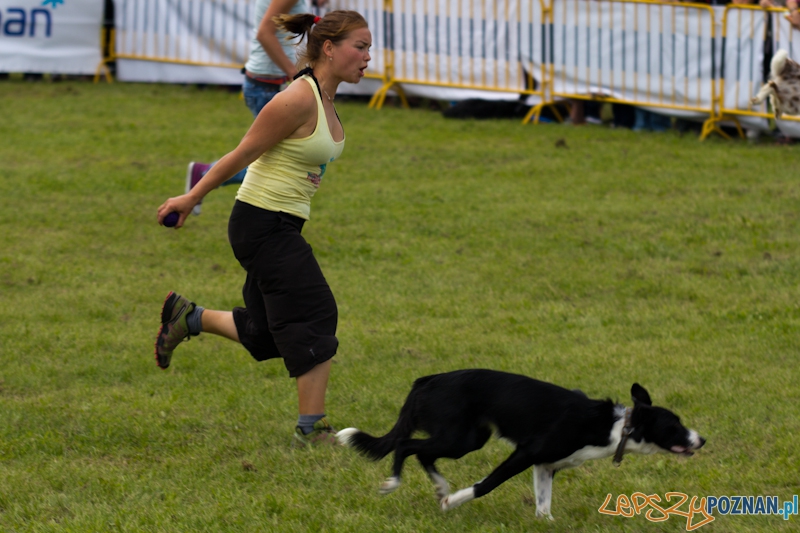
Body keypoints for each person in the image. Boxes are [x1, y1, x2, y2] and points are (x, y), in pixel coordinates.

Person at [155, 10, 372, 447]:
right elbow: (242, 153)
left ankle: (189, 317)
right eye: (361, 47)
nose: (368, 57)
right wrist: (191, 197)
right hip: (261, 223)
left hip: (282, 223)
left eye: (369, 48)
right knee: (315, 312)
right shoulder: (297, 98)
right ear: (330, 48)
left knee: (270, 331)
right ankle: (311, 429)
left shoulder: (325, 98)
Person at [186, 0, 329, 216]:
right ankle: (204, 175)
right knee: (274, 163)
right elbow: (264, 34)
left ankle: (204, 175)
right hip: (269, 86)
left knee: (270, 159)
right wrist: (295, 75)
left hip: (268, 84)